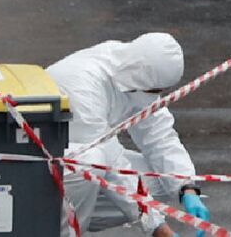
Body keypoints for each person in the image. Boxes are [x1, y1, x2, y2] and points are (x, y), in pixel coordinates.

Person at [48, 33, 210, 237]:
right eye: (156, 90)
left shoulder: (135, 73)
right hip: (41, 170)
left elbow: (159, 136)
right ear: (142, 78)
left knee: (162, 180)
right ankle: (56, 230)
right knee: (91, 162)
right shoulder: (84, 84)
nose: (156, 95)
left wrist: (186, 187)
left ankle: (79, 217)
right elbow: (112, 164)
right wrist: (158, 227)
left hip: (82, 169)